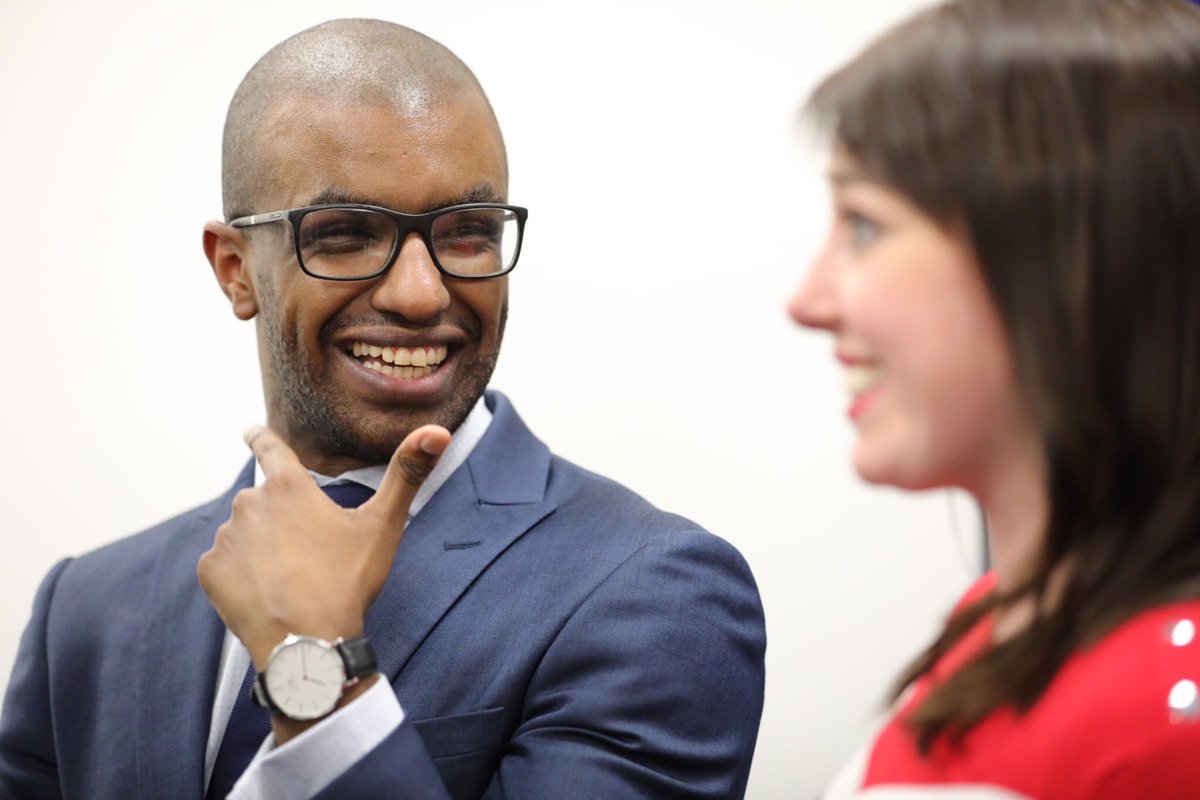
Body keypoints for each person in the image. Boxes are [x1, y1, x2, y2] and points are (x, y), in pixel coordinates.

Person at [0, 19, 765, 800]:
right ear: (235, 270)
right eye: (344, 235)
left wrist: (316, 671)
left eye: (467, 233)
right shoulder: (86, 612)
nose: (419, 292)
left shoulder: (659, 595)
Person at [789, 0, 1200, 797]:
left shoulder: (1166, 726)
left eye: (865, 225)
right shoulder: (999, 616)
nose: (808, 299)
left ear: (1069, 267)